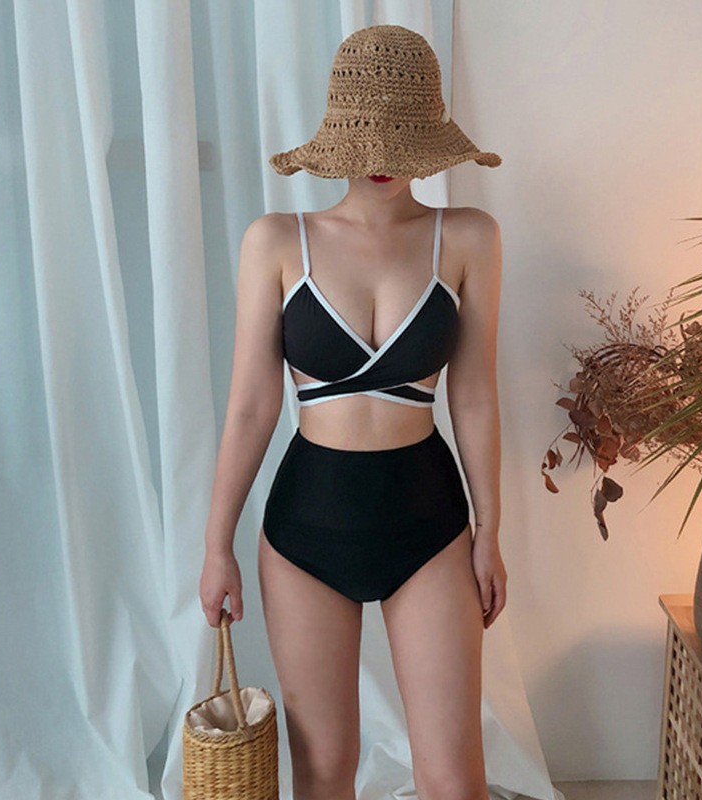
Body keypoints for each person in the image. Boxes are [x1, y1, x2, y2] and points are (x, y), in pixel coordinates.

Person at [200, 23, 506, 800]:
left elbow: (474, 395)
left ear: (428, 140)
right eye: (369, 140)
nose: (382, 161)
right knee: (325, 772)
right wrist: (216, 545)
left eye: (400, 142)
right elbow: (250, 406)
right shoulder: (277, 241)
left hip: (430, 521)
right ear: (341, 135)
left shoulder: (468, 237)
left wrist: (490, 533)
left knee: (454, 779)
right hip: (306, 526)